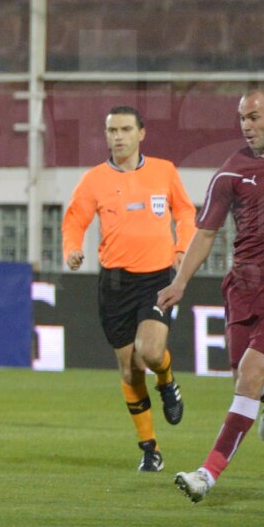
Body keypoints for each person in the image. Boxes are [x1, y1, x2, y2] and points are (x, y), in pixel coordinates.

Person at [159, 86, 264, 503]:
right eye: (242, 119)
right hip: (245, 290)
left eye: (254, 117)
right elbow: (205, 233)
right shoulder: (231, 173)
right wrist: (180, 281)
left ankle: (207, 473)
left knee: (251, 374)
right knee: (246, 379)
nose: (247, 126)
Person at [62, 106, 196, 472]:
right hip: (116, 283)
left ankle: (167, 381)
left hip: (157, 279)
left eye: (124, 129)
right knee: (129, 369)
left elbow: (185, 212)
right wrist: (72, 250)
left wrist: (182, 247)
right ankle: (150, 448)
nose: (117, 137)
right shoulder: (94, 180)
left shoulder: (164, 171)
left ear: (141, 133)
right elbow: (74, 219)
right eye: (111, 130)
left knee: (150, 353)